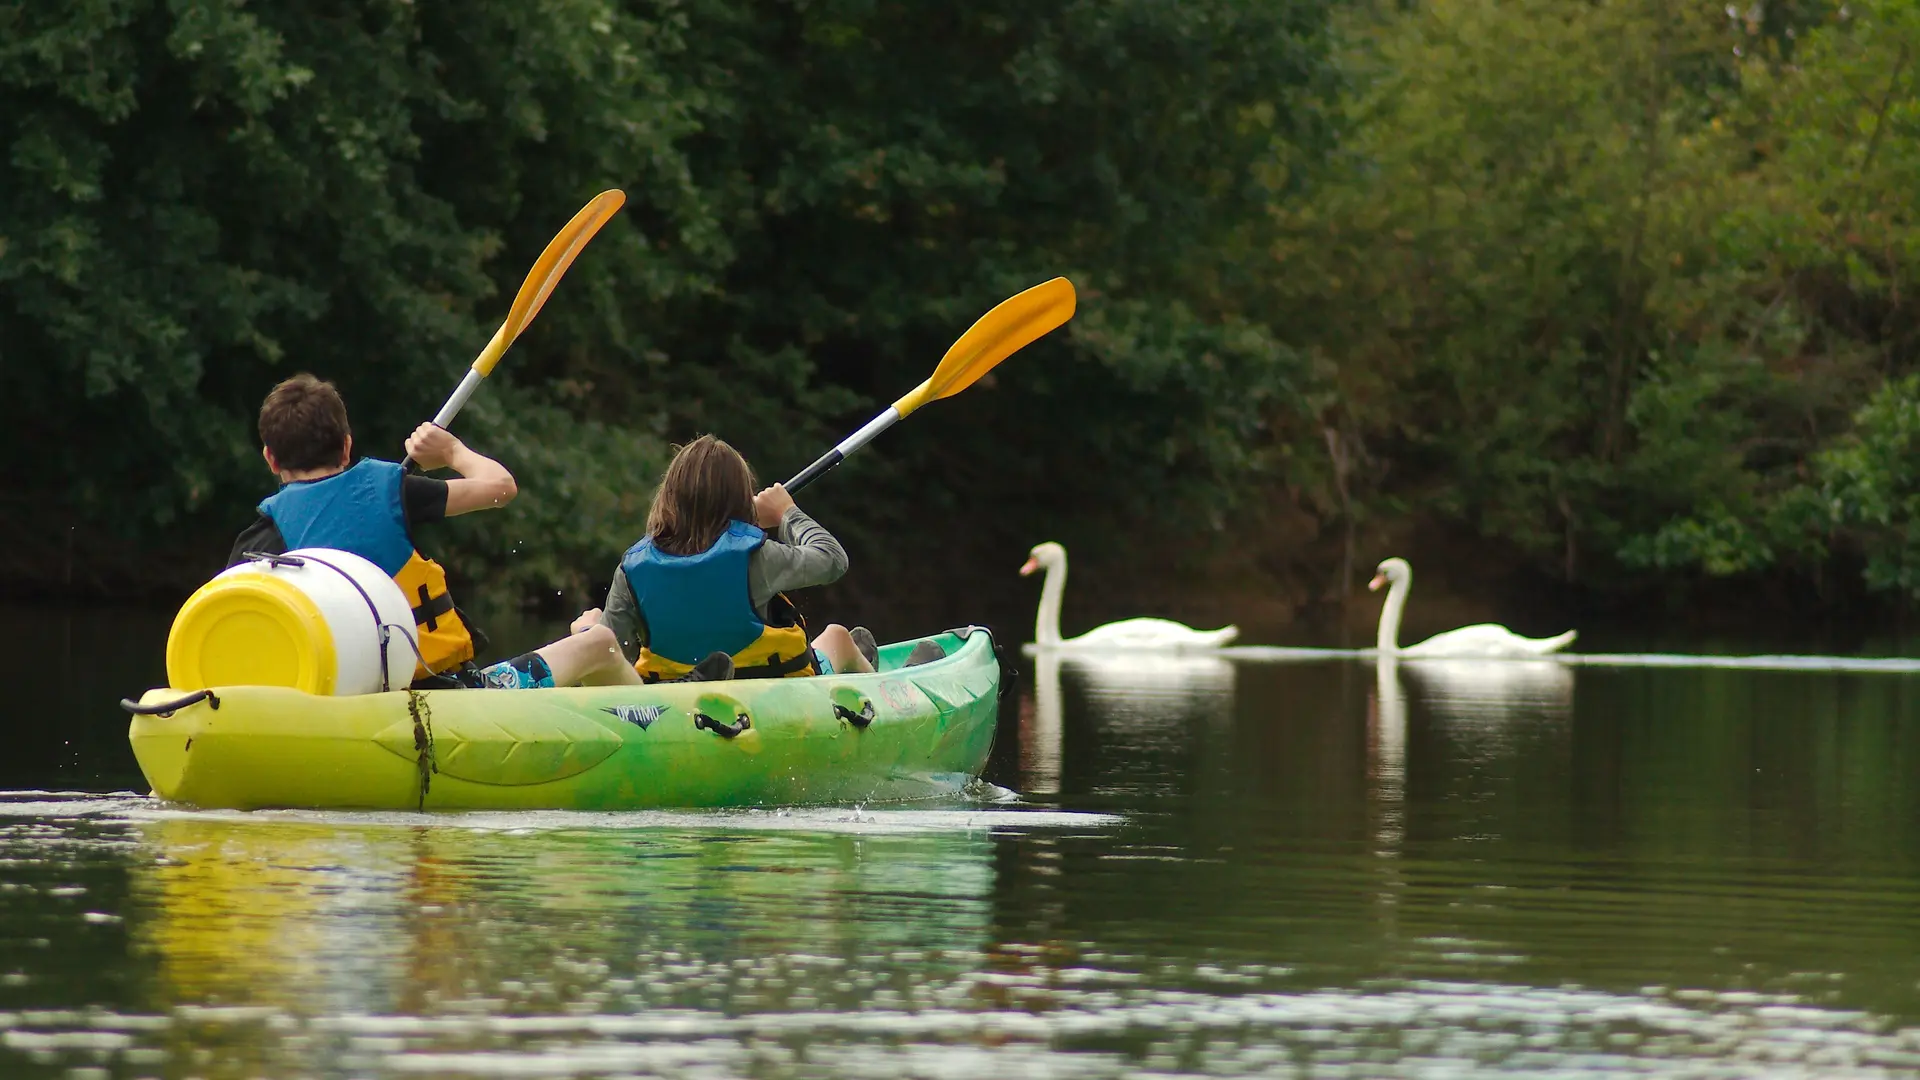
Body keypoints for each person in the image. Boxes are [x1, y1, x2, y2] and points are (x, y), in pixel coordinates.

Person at [229, 373, 641, 690]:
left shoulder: (260, 540)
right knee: (599, 641)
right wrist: (451, 452)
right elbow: (501, 488)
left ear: (270, 458)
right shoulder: (393, 491)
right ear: (347, 446)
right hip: (452, 692)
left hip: (342, 700)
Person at [590, 434, 877, 681]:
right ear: (740, 498)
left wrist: (588, 629)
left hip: (676, 700)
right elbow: (832, 558)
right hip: (775, 688)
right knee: (838, 636)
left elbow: (612, 653)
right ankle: (890, 692)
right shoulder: (755, 557)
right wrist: (786, 513)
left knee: (591, 627)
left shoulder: (632, 569)